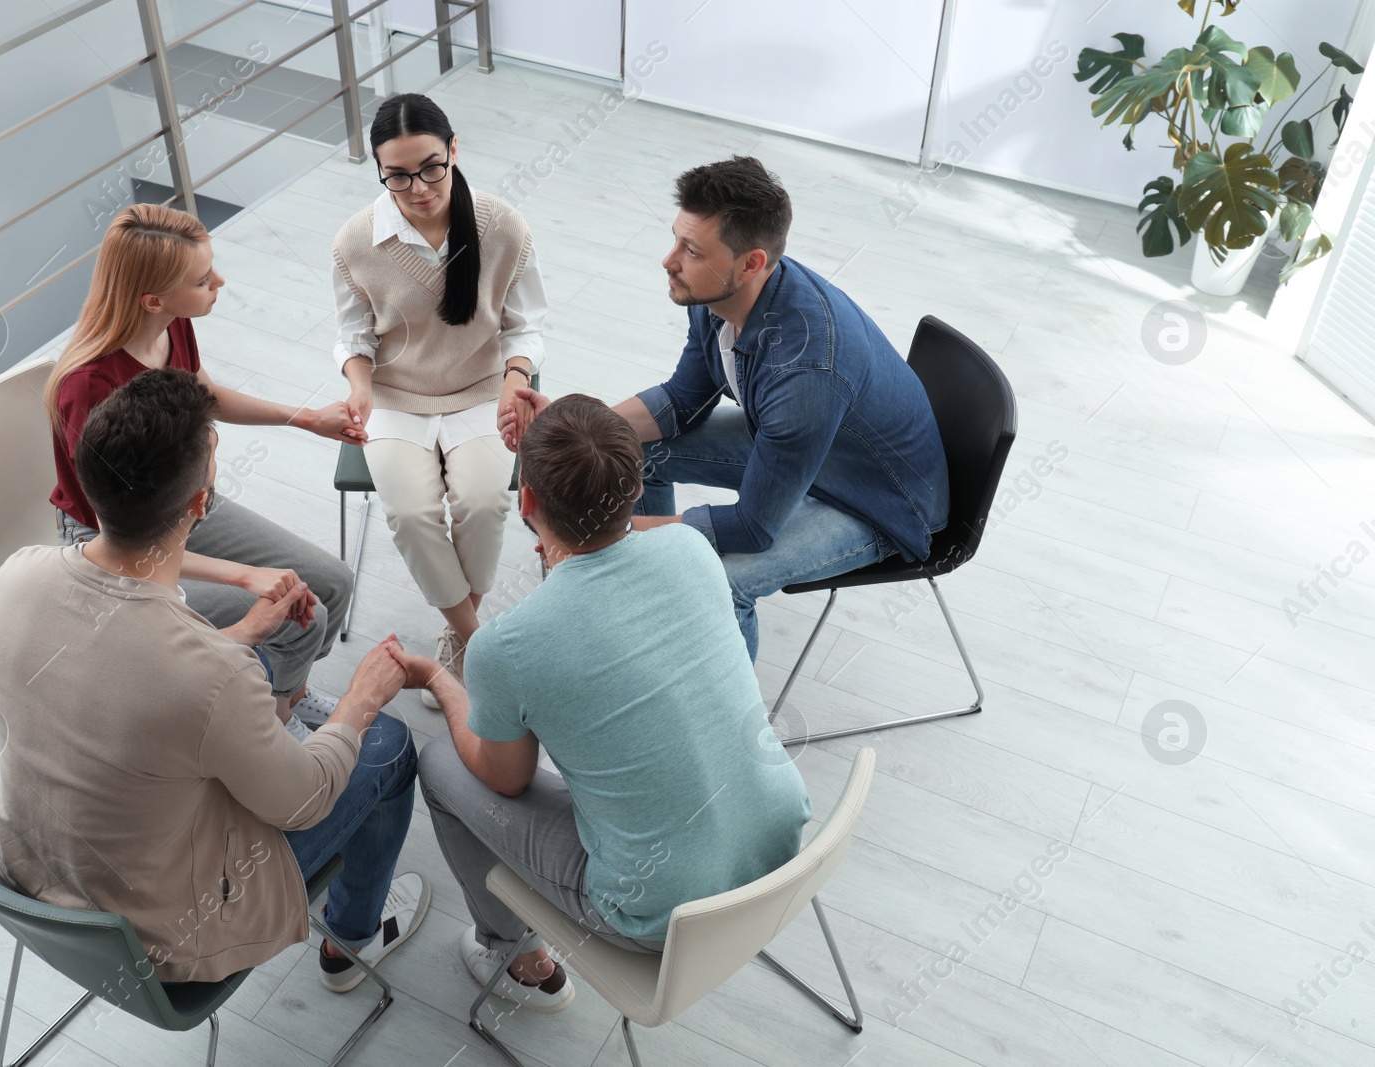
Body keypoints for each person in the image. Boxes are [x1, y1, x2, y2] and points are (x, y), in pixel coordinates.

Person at [0, 369, 429, 989]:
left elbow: (120, 667)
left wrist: (246, 631)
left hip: (38, 891)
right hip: (166, 939)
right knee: (389, 745)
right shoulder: (212, 677)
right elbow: (305, 801)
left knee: (254, 691)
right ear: (200, 504)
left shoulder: (14, 578)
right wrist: (360, 699)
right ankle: (353, 938)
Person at [400, 395, 812, 1013]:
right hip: (783, 855)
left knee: (439, 762)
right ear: (636, 484)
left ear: (528, 503)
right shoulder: (693, 552)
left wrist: (439, 679)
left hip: (653, 913)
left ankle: (510, 952)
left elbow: (504, 779)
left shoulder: (503, 647)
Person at [499, 157, 950, 661]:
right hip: (800, 448)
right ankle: (648, 597)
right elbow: (681, 401)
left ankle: (730, 730)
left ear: (751, 263)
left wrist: (613, 535)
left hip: (873, 501)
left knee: (725, 582)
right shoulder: (719, 296)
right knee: (636, 451)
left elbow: (753, 529)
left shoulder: (805, 373)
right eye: (676, 240)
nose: (669, 261)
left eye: (691, 251)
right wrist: (573, 425)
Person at [47, 203, 362, 734]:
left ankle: (290, 689)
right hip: (119, 539)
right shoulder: (88, 389)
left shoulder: (173, 325)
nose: (219, 281)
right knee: (296, 608)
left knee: (331, 582)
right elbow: (119, 532)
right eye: (202, 279)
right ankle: (279, 730)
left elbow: (204, 395)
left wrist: (305, 418)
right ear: (153, 298)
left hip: (184, 504)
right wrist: (243, 573)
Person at [331, 92, 547, 707]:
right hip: (396, 398)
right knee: (411, 513)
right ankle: (475, 639)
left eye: (431, 166)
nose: (418, 187)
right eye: (396, 175)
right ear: (379, 171)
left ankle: (457, 635)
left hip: (482, 390)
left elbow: (524, 324)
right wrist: (361, 386)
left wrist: (515, 380)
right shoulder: (356, 242)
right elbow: (353, 335)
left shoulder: (501, 224)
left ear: (453, 150)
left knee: (482, 502)